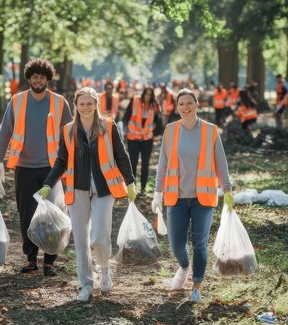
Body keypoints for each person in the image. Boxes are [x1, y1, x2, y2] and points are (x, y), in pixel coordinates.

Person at [36, 87, 136, 302]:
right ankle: (86, 284)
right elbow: (61, 161)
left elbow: (121, 155)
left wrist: (131, 182)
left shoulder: (108, 127)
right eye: (82, 103)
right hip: (77, 189)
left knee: (99, 236)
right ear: (76, 106)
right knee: (81, 240)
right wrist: (48, 184)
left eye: (90, 103)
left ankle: (105, 269)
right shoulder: (68, 130)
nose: (86, 107)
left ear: (96, 105)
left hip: (104, 189)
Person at [151, 88, 234, 303]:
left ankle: (196, 286)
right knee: (176, 244)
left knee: (199, 244)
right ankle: (184, 266)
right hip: (175, 196)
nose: (185, 107)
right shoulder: (170, 131)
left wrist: (228, 190)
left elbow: (220, 163)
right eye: (181, 104)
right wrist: (157, 193)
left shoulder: (210, 131)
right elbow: (162, 165)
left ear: (197, 105)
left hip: (203, 198)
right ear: (176, 107)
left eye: (189, 103)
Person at [0, 58, 73, 277]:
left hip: (52, 168)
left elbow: (70, 135)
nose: (38, 81)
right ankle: (31, 258)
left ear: (48, 79)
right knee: (27, 215)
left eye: (42, 77)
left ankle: (49, 261)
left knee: (53, 215)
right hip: (24, 166)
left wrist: (72, 162)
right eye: (34, 77)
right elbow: (5, 132)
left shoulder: (60, 102)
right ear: (29, 78)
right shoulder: (17, 101)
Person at [123, 86, 163, 194]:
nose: (147, 96)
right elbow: (126, 117)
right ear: (143, 93)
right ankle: (133, 187)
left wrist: (153, 133)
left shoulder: (154, 106)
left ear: (152, 96)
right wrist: (126, 132)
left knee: (145, 164)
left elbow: (159, 122)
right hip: (133, 138)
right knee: (133, 163)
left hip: (147, 139)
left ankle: (143, 189)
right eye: (146, 94)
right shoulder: (135, 101)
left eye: (150, 95)